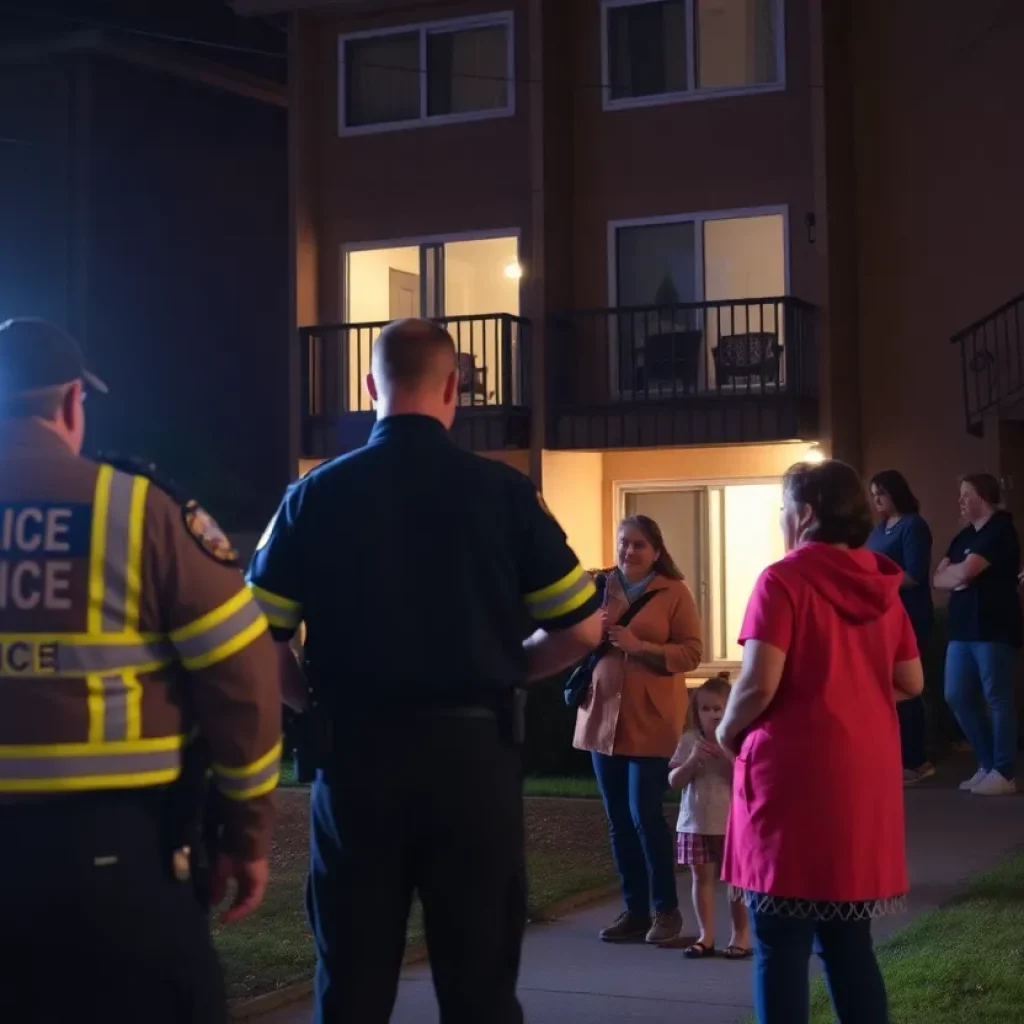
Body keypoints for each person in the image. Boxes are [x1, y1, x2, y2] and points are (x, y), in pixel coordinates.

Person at [246, 317, 603, 1024]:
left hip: (354, 759)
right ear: (453, 390)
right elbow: (583, 626)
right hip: (473, 761)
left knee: (350, 982)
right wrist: (511, 669)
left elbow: (258, 636)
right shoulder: (503, 495)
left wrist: (305, 697)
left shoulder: (314, 496)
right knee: (479, 985)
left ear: (370, 386)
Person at [0, 318, 283, 1023]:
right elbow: (243, 680)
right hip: (114, 862)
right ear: (72, 403)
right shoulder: (135, 511)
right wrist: (245, 837)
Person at [718, 459, 923, 1024]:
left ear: (804, 514)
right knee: (848, 946)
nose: (781, 518)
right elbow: (911, 680)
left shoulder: (782, 580)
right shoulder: (880, 583)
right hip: (862, 782)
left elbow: (760, 682)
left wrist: (724, 728)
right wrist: (854, 688)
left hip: (793, 782)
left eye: (783, 507)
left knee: (779, 946)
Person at [573, 515, 702, 945]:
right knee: (617, 820)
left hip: (651, 717)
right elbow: (571, 637)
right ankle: (635, 910)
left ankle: (667, 912)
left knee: (644, 814)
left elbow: (692, 653)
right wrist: (591, 633)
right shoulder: (600, 587)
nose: (629, 551)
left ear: (657, 551)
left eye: (639, 545)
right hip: (602, 717)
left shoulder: (674, 592)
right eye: (624, 542)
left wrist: (640, 646)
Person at [934, 473, 1022, 796]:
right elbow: (938, 577)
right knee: (955, 694)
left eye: (965, 494)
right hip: (962, 629)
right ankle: (986, 764)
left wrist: (960, 576)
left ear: (982, 497)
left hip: (993, 626)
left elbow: (966, 571)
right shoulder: (963, 537)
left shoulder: (999, 530)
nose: (960, 501)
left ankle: (1003, 771)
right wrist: (957, 577)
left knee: (996, 696)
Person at [668, 674, 751, 960]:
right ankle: (706, 936)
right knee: (700, 878)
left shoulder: (740, 740)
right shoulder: (689, 740)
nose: (714, 714)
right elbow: (674, 781)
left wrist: (727, 753)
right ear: (697, 713)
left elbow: (749, 777)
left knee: (736, 881)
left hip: (732, 822)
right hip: (695, 821)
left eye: (720, 708)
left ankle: (740, 935)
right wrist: (693, 760)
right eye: (707, 709)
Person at [867, 469, 935, 784]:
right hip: (881, 618)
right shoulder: (879, 530)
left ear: (895, 492)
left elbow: (914, 575)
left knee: (907, 688)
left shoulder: (912, 526)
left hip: (909, 615)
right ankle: (894, 755)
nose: (876, 499)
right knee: (885, 691)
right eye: (873, 494)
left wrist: (876, 582)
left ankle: (917, 759)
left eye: (881, 492)